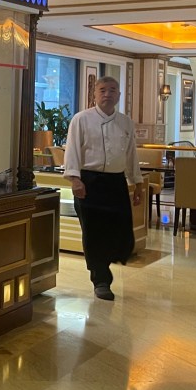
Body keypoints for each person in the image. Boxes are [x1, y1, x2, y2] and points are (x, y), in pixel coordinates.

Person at [62, 76, 143, 300]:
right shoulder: (81, 119)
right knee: (94, 233)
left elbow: (131, 155)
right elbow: (72, 151)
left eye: (112, 90)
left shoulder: (126, 122)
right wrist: (75, 180)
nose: (108, 94)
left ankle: (106, 264)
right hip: (89, 182)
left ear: (119, 95)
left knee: (120, 230)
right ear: (94, 95)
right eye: (103, 90)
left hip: (116, 182)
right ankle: (101, 280)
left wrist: (137, 183)